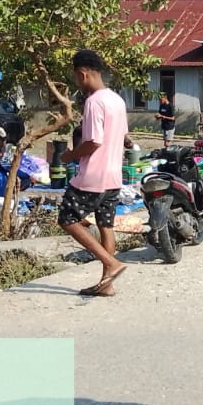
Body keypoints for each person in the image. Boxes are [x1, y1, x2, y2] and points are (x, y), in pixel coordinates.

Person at [59, 50, 130, 297]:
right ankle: (106, 284)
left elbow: (93, 141)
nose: (76, 81)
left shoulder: (93, 101)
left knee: (67, 219)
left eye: (76, 77)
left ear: (83, 73)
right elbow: (123, 136)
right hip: (113, 174)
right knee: (105, 225)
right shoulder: (117, 100)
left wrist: (70, 155)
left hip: (93, 175)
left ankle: (111, 263)